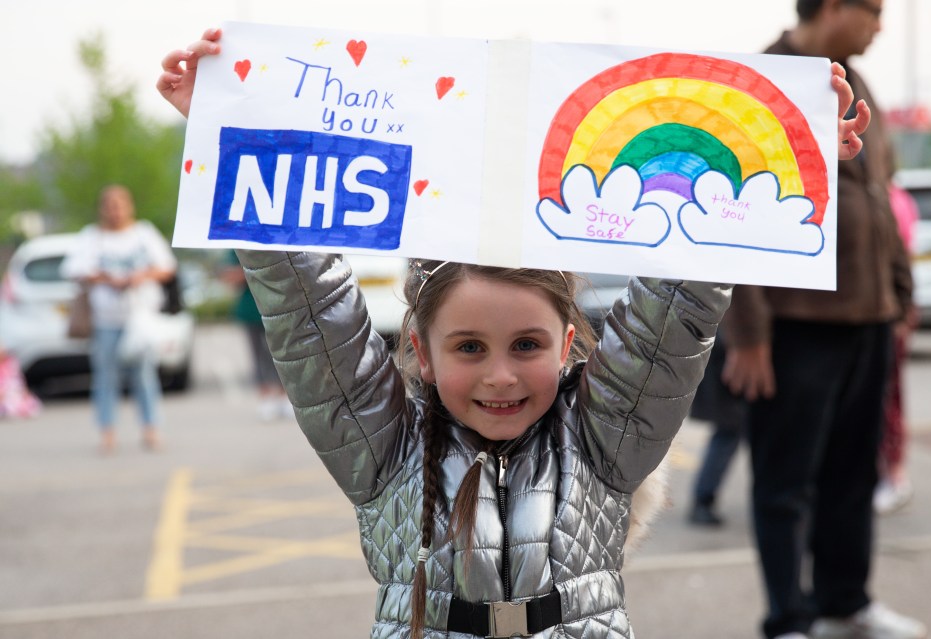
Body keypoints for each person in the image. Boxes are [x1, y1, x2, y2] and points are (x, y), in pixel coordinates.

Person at [158, 28, 868, 638]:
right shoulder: (382, 450)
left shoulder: (605, 438)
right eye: (469, 347)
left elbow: (678, 301)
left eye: (526, 345)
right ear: (421, 352)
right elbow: (307, 310)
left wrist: (795, 154)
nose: (500, 374)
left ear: (567, 346)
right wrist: (226, 129)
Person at [720, 1, 925, 638]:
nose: (881, 25)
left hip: (868, 319)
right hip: (795, 322)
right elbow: (734, 209)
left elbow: (880, 200)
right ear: (836, 6)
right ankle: (788, 619)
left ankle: (845, 602)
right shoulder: (766, 80)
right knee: (785, 483)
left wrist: (900, 295)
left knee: (853, 473)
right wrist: (749, 333)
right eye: (874, 11)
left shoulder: (856, 81)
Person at [61, 185, 177, 454]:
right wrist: (104, 278)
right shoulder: (91, 237)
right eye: (109, 205)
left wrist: (140, 277)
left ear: (129, 206)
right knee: (105, 377)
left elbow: (167, 267)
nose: (115, 211)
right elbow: (72, 268)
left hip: (139, 319)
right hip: (106, 320)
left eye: (119, 204)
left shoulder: (143, 234)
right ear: (102, 208)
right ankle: (107, 431)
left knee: (144, 374)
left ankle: (151, 428)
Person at [874, 183, 920, 515]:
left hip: (884, 315)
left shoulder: (885, 198)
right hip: (887, 313)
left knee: (887, 399)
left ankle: (894, 475)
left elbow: (898, 256)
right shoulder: (897, 197)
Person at [219, 251, 291, 421]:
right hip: (251, 310)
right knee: (258, 355)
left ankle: (284, 396)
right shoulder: (237, 248)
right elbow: (229, 276)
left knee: (281, 354)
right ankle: (265, 396)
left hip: (278, 308)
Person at [687, 328, 747, 527]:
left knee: (728, 434)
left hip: (732, 354)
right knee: (728, 434)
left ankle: (703, 499)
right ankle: (703, 499)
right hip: (735, 358)